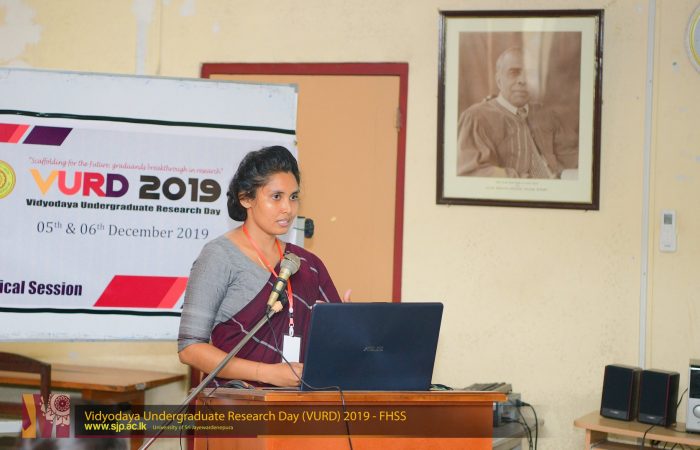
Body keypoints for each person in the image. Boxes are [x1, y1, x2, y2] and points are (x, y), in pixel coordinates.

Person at [178, 146, 347, 388]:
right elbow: (190, 348)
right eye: (276, 197)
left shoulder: (308, 264)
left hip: (299, 402)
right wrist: (266, 373)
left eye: (293, 197)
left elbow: (338, 342)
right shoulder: (219, 256)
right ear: (246, 198)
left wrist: (346, 322)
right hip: (237, 401)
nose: (288, 208)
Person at [457, 47, 579, 179]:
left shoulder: (547, 115)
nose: (523, 80)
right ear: (499, 80)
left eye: (530, 74)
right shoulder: (477, 118)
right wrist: (523, 181)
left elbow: (571, 158)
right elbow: (472, 172)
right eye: (514, 73)